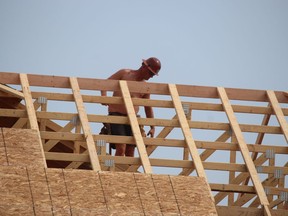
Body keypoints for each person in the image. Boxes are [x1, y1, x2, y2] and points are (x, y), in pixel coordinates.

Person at [101, 57, 161, 157]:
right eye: (150, 73)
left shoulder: (145, 87)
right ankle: (116, 172)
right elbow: (105, 83)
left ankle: (128, 172)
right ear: (144, 66)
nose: (151, 76)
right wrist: (104, 96)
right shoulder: (124, 74)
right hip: (116, 115)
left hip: (132, 118)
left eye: (153, 75)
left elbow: (148, 107)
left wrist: (152, 127)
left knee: (130, 151)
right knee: (121, 147)